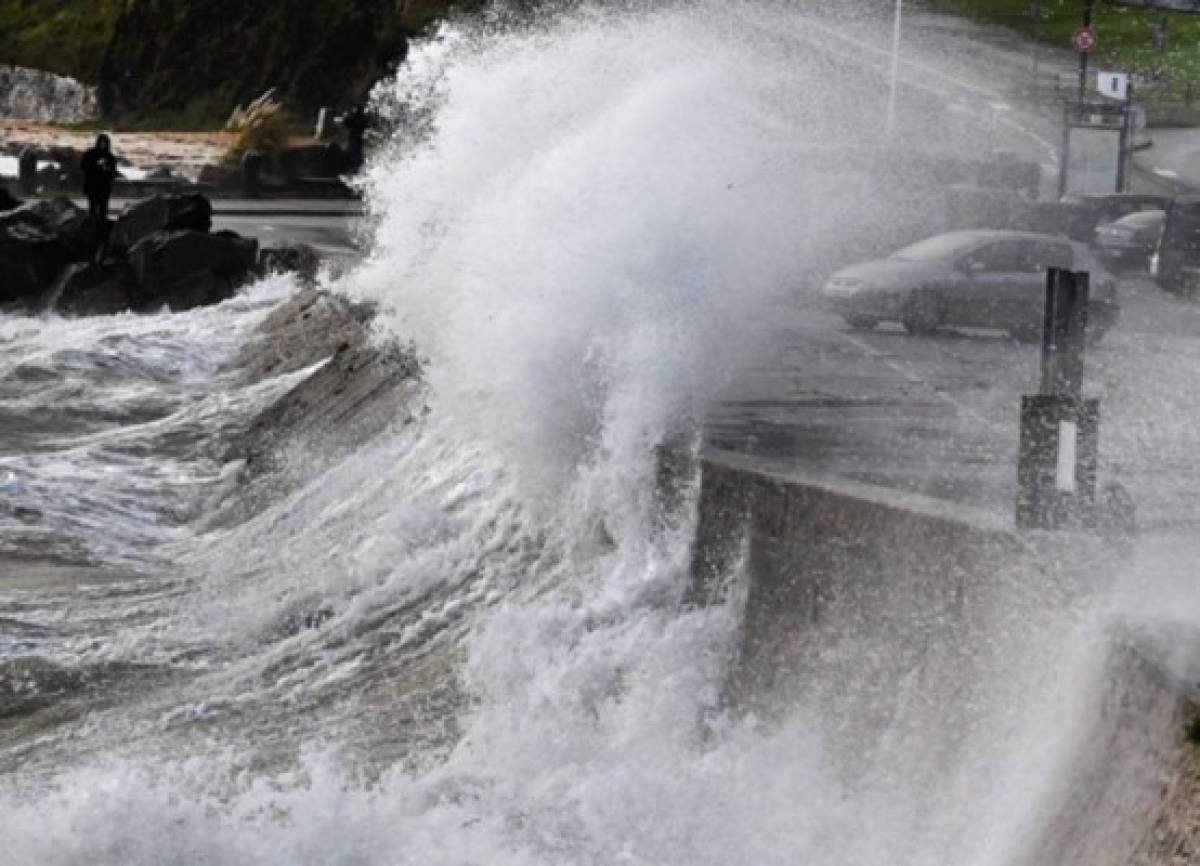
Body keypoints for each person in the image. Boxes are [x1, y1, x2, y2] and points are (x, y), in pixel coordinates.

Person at [80, 134, 118, 220]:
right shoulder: (90, 154)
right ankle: (92, 227)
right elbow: (84, 166)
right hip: (92, 185)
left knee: (103, 210)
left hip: (104, 187)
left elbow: (113, 172)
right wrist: (96, 166)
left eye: (105, 143)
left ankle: (102, 227)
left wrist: (107, 170)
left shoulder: (110, 157)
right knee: (92, 208)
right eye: (101, 142)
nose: (103, 145)